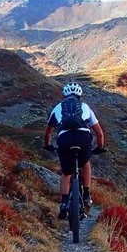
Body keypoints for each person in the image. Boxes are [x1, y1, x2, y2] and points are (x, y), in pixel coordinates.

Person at [42, 82, 106, 219]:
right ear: (80, 95)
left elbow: (47, 133)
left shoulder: (58, 107)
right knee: (86, 163)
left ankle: (64, 203)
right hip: (83, 138)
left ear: (64, 95)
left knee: (66, 173)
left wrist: (48, 146)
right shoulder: (85, 107)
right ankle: (87, 194)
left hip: (65, 139)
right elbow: (99, 133)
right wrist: (100, 148)